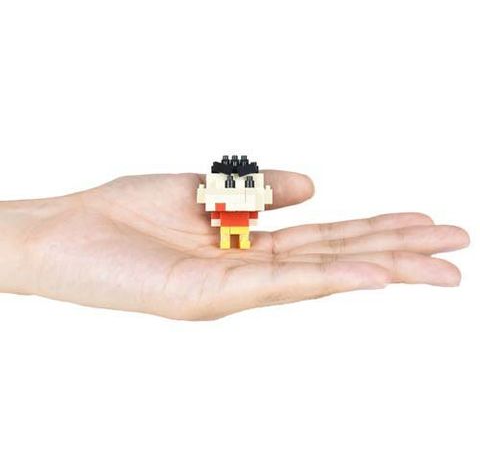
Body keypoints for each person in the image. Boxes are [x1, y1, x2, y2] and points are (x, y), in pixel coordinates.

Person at [0, 171, 469, 320]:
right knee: (234, 229)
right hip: (228, 223)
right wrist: (38, 238)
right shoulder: (223, 206)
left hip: (231, 224)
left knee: (236, 229)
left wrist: (38, 236)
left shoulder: (233, 207)